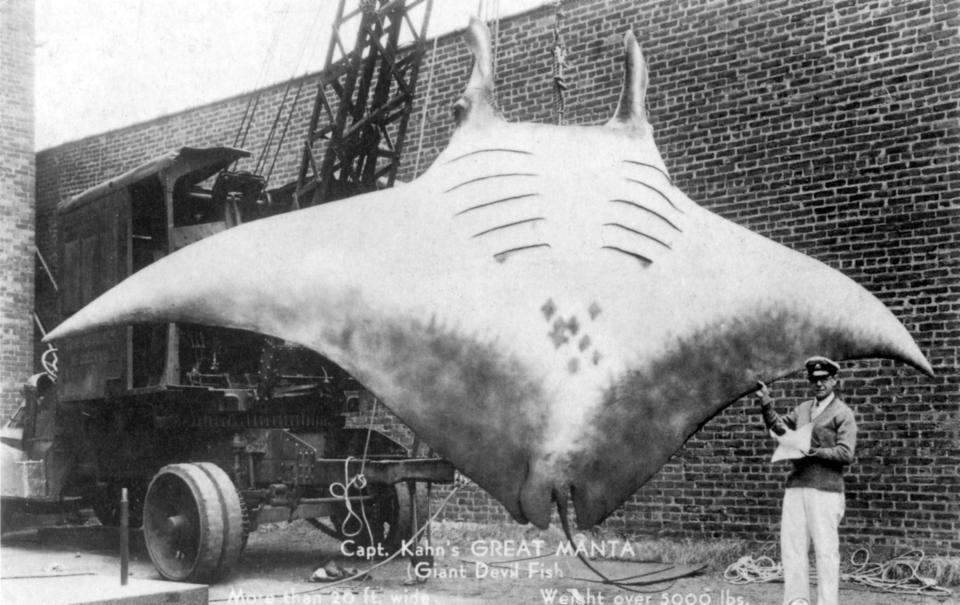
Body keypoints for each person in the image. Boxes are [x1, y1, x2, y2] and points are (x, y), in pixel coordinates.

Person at [757, 356, 857, 605]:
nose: (819, 384)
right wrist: (767, 404)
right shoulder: (802, 409)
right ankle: (796, 600)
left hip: (825, 490)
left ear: (834, 380)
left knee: (825, 551)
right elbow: (781, 429)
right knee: (792, 547)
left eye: (824, 379)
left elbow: (846, 453)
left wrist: (815, 451)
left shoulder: (842, 413)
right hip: (796, 486)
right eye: (814, 379)